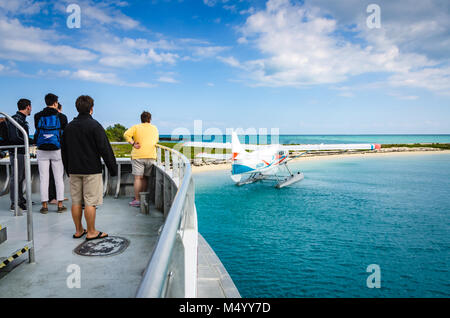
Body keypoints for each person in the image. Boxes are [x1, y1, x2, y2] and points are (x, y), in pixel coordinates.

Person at [61, 95, 117, 240]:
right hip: (91, 170)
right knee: (91, 202)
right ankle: (91, 232)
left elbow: (64, 150)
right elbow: (105, 149)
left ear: (77, 108)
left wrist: (68, 169)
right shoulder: (95, 126)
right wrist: (113, 169)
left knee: (76, 201)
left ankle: (79, 230)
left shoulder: (69, 127)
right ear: (91, 109)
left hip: (73, 169)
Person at [34, 94, 68, 213]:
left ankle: (44, 206)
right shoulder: (62, 117)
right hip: (57, 150)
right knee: (58, 178)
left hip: (42, 149)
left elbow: (37, 131)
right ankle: (60, 205)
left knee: (44, 178)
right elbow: (65, 135)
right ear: (55, 103)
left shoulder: (37, 116)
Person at [3, 99, 33, 211]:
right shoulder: (15, 119)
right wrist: (28, 142)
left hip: (21, 152)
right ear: (28, 107)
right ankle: (14, 202)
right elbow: (15, 137)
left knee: (21, 177)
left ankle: (20, 198)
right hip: (17, 152)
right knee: (16, 177)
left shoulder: (20, 119)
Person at [123, 111, 159, 207]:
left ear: (141, 119)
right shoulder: (154, 128)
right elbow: (156, 140)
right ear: (150, 119)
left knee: (138, 178)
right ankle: (143, 198)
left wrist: (133, 143)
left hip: (138, 155)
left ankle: (137, 200)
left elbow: (126, 134)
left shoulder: (136, 127)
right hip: (151, 155)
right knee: (145, 178)